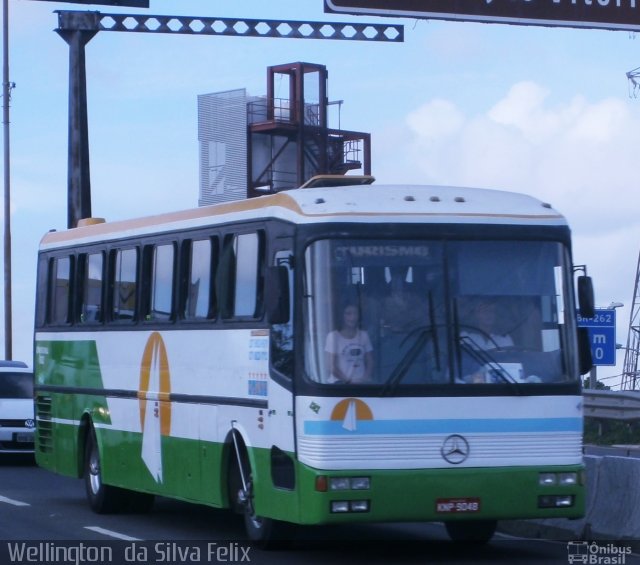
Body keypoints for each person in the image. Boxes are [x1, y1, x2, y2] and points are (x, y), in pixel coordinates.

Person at [459, 297, 514, 383]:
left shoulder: (505, 338)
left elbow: (511, 365)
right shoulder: (465, 337)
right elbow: (461, 367)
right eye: (484, 311)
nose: (489, 314)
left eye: (492, 311)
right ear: (476, 314)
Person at [325, 303, 374, 384]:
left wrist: (364, 379)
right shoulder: (333, 336)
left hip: (361, 384)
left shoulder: (364, 335)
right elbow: (330, 365)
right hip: (339, 384)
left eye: (355, 313)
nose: (353, 317)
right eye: (348, 314)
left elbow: (370, 361)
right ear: (342, 316)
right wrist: (348, 381)